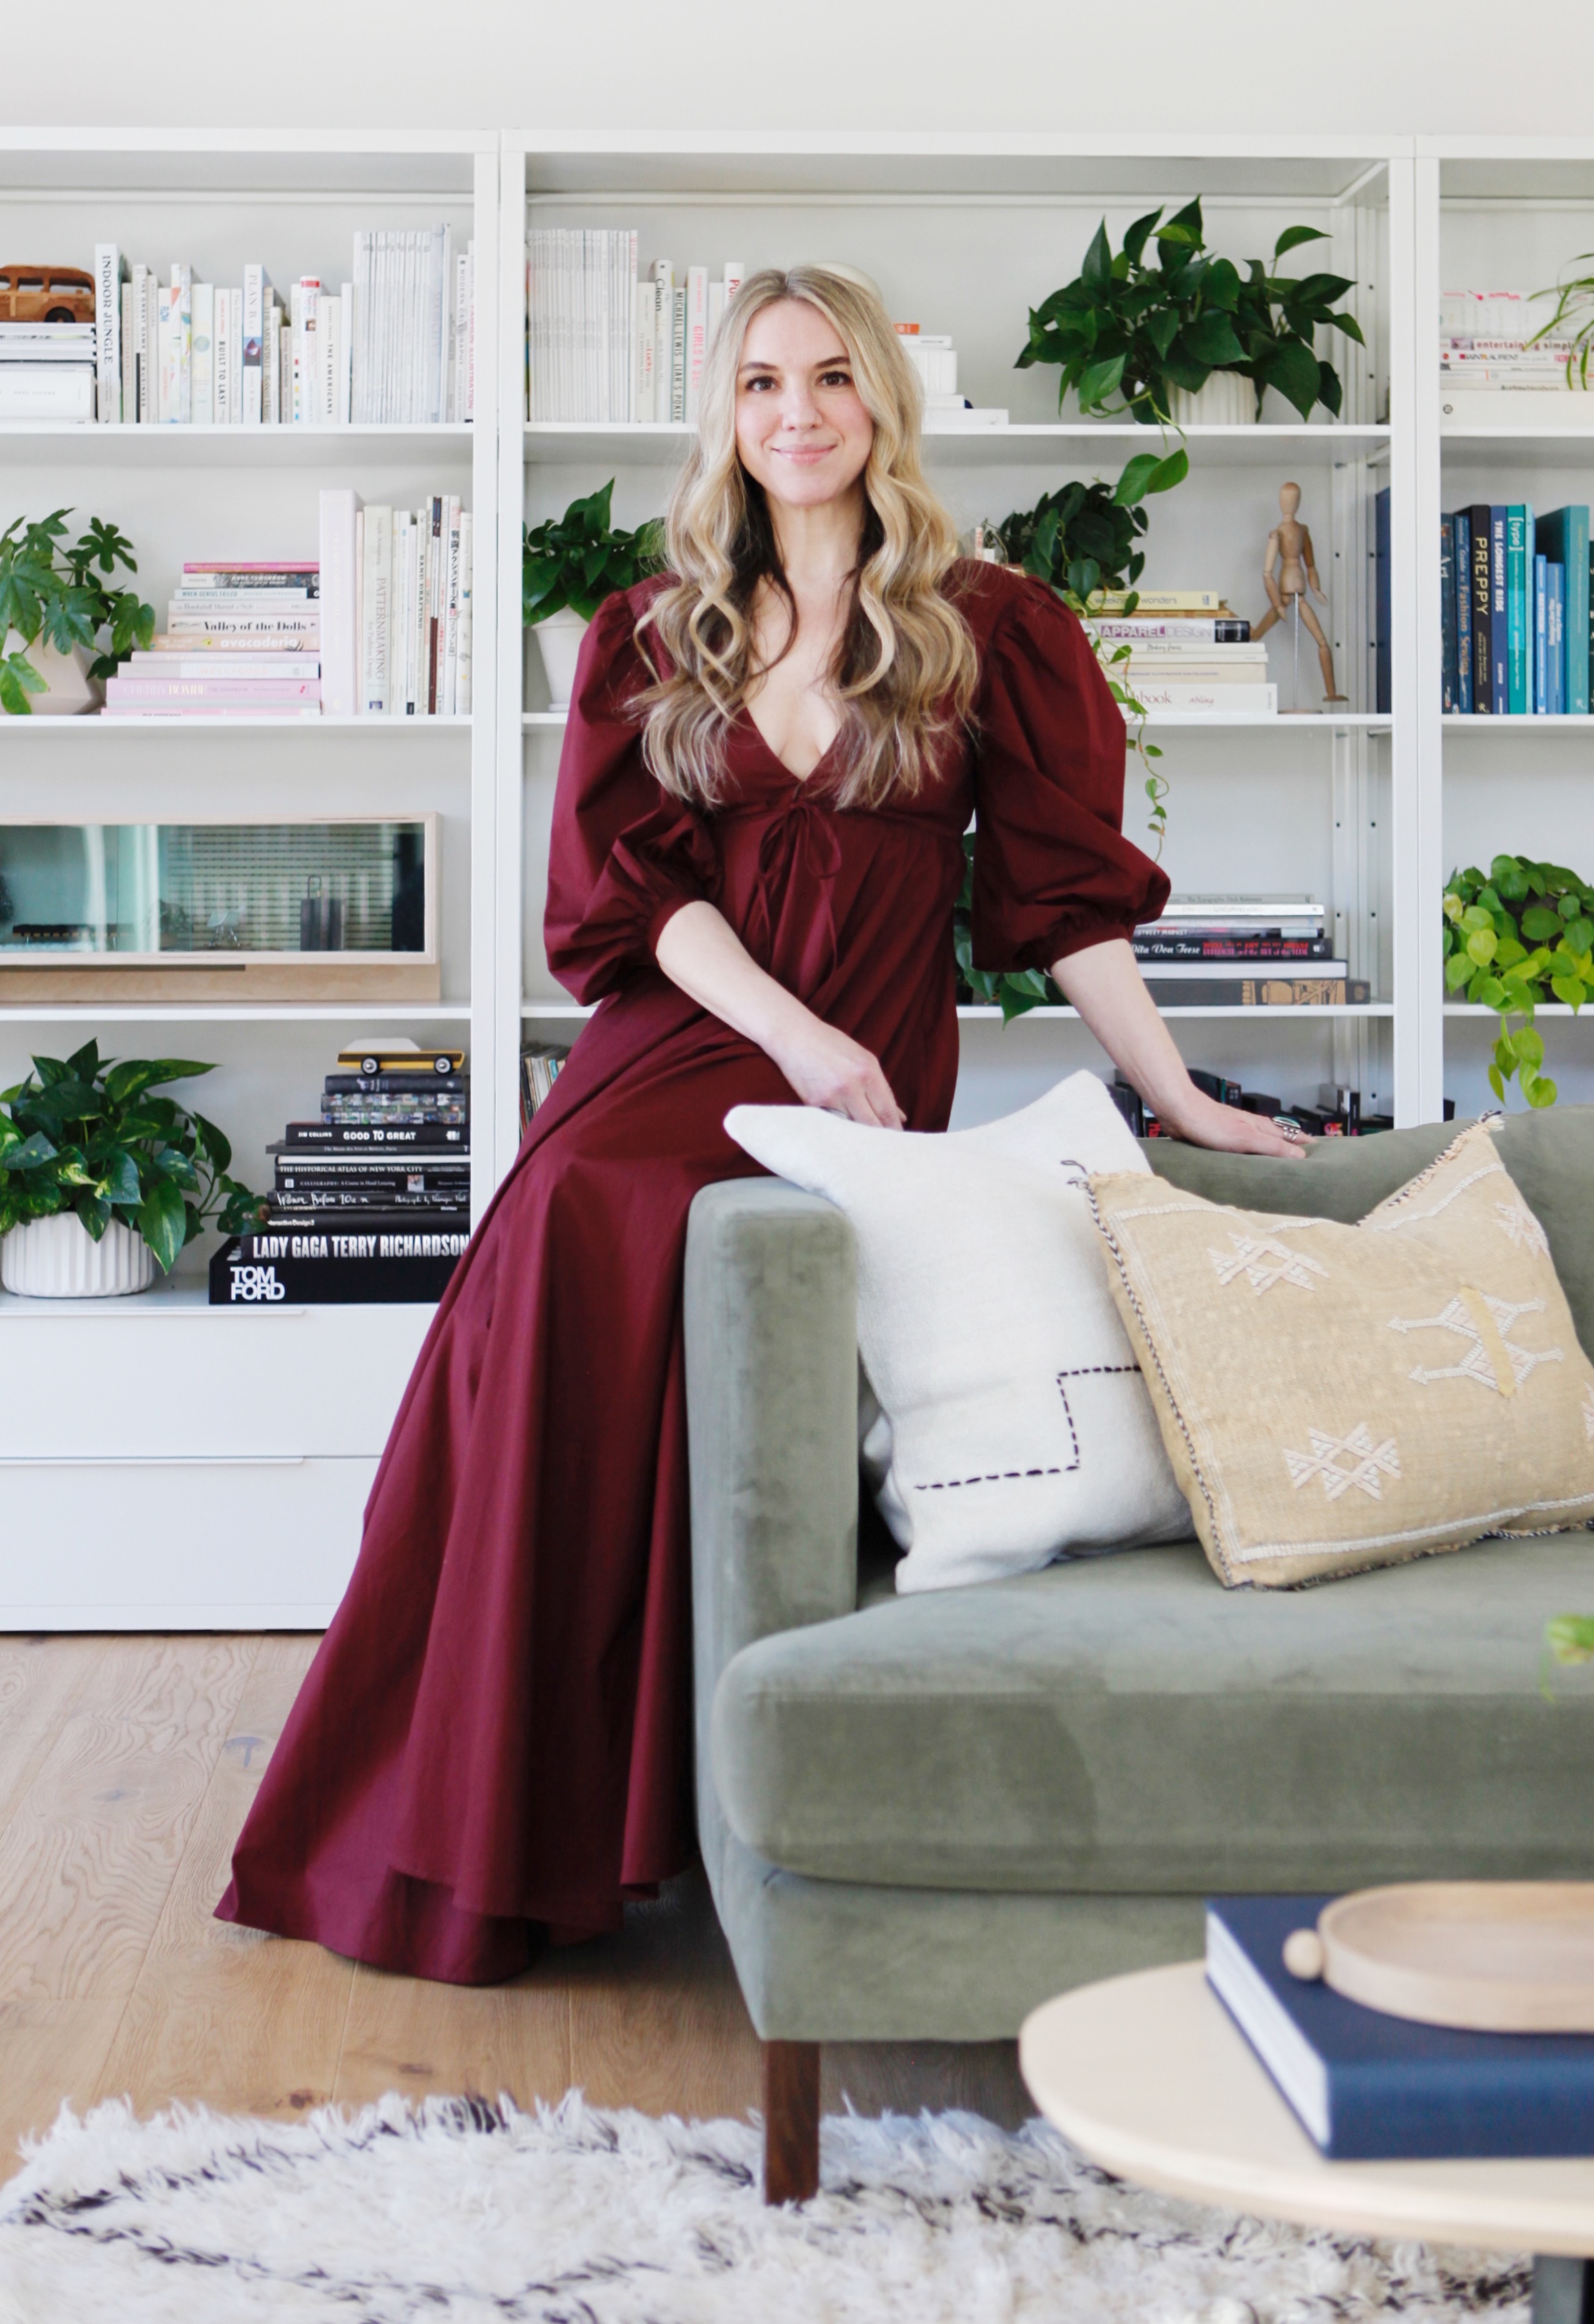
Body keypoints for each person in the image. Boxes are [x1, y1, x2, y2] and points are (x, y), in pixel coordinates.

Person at [217, 264, 1305, 1987]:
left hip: (875, 1054)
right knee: (585, 1217)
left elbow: (1064, 899)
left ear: (880, 404)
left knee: (696, 1254)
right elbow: (632, 903)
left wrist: (1178, 1094)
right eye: (758, 385)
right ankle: (492, 1821)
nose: (795, 412)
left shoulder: (992, 625)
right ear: (725, 419)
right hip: (704, 1038)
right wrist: (793, 1040)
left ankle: (654, 1807)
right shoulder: (656, 632)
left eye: (828, 379)